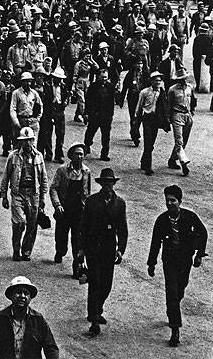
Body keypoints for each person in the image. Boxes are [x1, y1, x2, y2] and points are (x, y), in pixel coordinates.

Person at [146, 185, 208, 347]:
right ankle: (175, 329)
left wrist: (199, 254)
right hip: (169, 261)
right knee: (172, 292)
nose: (169, 204)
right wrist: (151, 263)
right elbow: (155, 243)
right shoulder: (161, 220)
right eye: (167, 201)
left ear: (179, 201)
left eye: (173, 200)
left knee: (180, 289)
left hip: (185, 260)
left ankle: (172, 309)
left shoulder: (189, 217)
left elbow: (203, 233)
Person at [78, 167, 128, 337]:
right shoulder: (92, 201)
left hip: (109, 249)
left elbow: (122, 229)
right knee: (95, 283)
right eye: (105, 182)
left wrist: (120, 249)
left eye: (110, 182)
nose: (108, 185)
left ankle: (97, 309)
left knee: (107, 284)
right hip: (93, 248)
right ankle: (93, 319)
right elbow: (83, 226)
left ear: (114, 184)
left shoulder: (120, 203)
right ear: (101, 184)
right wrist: (81, 249)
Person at [0, 127, 49, 261]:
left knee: (32, 224)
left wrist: (43, 197)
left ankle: (26, 251)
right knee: (19, 222)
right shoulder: (13, 156)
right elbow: (6, 176)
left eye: (29, 140)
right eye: (24, 141)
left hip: (34, 194)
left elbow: (43, 177)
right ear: (20, 142)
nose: (27, 144)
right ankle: (16, 250)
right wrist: (4, 195)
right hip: (18, 193)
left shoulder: (39, 156)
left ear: (33, 140)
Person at [0, 276, 59, 359]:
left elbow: (51, 348)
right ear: (11, 296)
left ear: (30, 298)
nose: (22, 296)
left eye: (26, 293)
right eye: (18, 292)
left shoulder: (38, 320)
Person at [50, 143, 91, 278]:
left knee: (78, 239)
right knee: (61, 235)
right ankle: (60, 251)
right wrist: (57, 205)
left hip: (79, 210)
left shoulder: (86, 172)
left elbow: (87, 192)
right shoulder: (62, 170)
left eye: (81, 154)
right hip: (64, 208)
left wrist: (87, 210)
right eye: (76, 154)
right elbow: (54, 188)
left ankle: (77, 265)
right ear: (71, 156)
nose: (79, 157)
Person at [136, 71, 169, 176]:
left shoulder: (162, 92)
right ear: (151, 81)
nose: (158, 82)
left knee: (151, 143)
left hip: (156, 119)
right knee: (148, 141)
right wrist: (136, 120)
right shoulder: (144, 92)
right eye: (156, 80)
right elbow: (139, 107)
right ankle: (148, 167)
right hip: (147, 119)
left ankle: (144, 161)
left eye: (159, 80)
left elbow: (165, 107)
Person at [166, 67, 196, 176]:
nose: (183, 81)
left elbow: (193, 100)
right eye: (181, 79)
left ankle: (172, 159)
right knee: (179, 140)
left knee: (185, 139)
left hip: (187, 115)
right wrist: (168, 117)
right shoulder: (172, 90)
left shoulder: (189, 87)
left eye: (184, 79)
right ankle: (184, 163)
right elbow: (168, 104)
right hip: (176, 114)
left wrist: (192, 112)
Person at [83, 68, 116, 161]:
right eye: (102, 77)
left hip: (106, 116)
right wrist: (86, 113)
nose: (104, 79)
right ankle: (87, 145)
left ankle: (104, 154)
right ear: (98, 77)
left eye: (105, 77)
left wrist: (111, 115)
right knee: (90, 132)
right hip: (95, 115)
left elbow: (111, 102)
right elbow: (88, 100)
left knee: (106, 136)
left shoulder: (111, 87)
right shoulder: (93, 87)